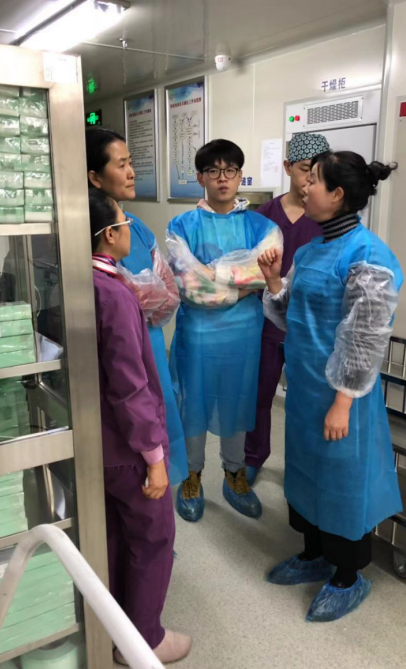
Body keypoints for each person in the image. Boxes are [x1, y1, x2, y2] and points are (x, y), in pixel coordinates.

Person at [259, 151, 404, 622]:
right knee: (304, 471)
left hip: (344, 397)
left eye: (315, 181)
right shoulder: (310, 250)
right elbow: (291, 316)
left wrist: (342, 400)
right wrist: (274, 281)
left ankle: (347, 574)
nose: (305, 188)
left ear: (338, 195)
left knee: (342, 479)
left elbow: (365, 338)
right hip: (305, 387)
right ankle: (314, 552)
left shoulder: (367, 256)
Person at [89, 188, 191, 663]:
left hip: (98, 442)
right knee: (153, 536)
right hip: (129, 448)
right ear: (110, 235)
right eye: (125, 222)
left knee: (112, 534)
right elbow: (130, 388)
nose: (131, 228)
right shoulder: (114, 294)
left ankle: (115, 628)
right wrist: (153, 457)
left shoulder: (79, 282)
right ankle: (144, 639)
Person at [167, 139, 282, 523]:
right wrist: (240, 282)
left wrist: (212, 275)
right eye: (213, 171)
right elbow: (189, 287)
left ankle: (235, 475)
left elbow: (264, 276)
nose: (222, 178)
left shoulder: (261, 226)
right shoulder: (181, 226)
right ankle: (191, 476)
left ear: (239, 175)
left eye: (230, 170)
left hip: (243, 335)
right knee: (193, 404)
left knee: (238, 401)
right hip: (198, 334)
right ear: (200, 177)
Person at [86, 128, 188, 487]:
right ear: (95, 177)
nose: (131, 173)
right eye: (121, 165)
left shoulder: (137, 227)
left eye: (131, 163)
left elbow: (167, 296)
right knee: (125, 437)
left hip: (151, 345)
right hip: (116, 354)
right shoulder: (82, 235)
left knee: (157, 415)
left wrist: (143, 298)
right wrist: (136, 298)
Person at [245, 132, 330, 486]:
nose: (310, 178)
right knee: (260, 395)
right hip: (267, 323)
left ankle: (304, 467)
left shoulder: (327, 218)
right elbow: (246, 269)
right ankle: (253, 457)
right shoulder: (263, 216)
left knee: (308, 403)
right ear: (287, 167)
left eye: (318, 171)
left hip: (309, 327)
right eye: (304, 169)